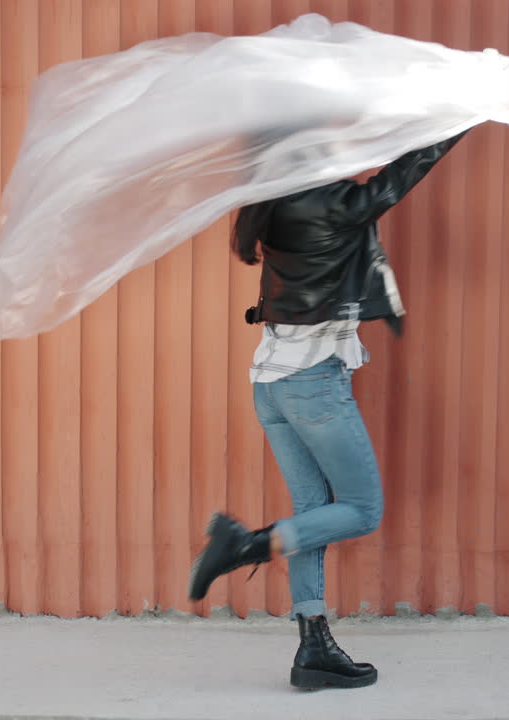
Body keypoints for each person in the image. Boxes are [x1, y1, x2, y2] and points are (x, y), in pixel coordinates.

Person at [187, 128, 471, 690]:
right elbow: (395, 182)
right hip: (312, 384)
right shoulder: (326, 202)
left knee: (310, 516)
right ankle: (245, 544)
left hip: (272, 382)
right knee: (362, 509)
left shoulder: (270, 205)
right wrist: (459, 117)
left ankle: (313, 648)